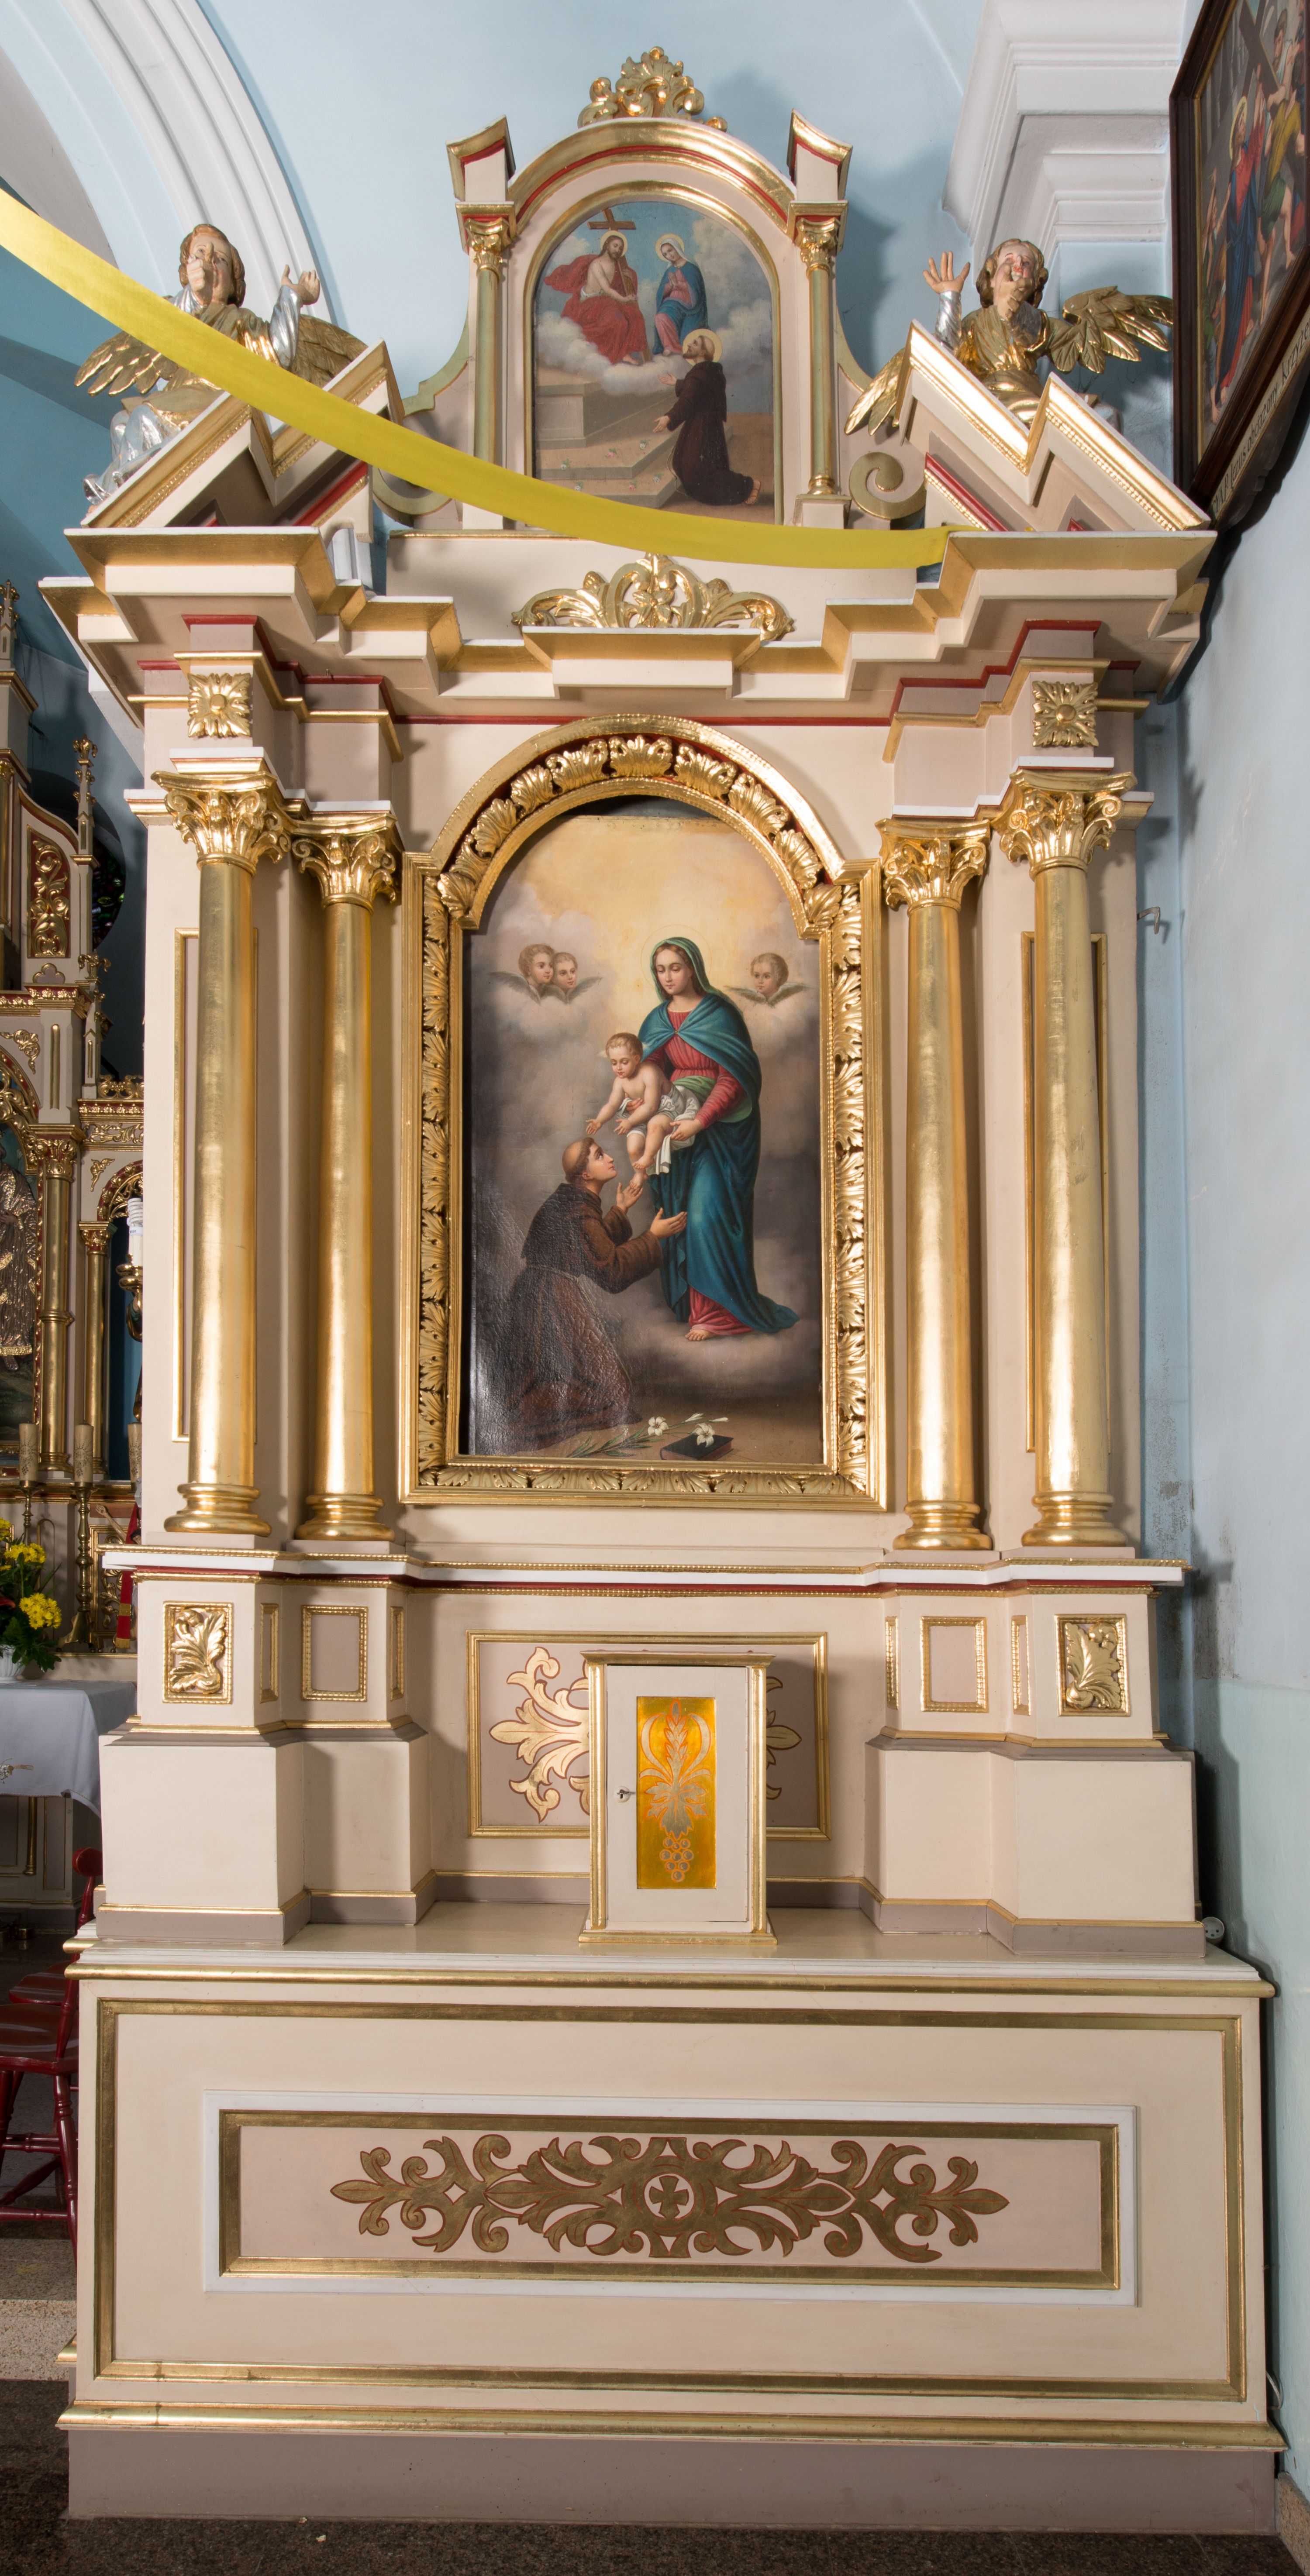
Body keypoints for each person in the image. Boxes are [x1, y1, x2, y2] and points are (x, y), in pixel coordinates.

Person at [78, 222, 359, 504]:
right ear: (187, 269)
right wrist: (196, 296)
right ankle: (119, 491)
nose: (210, 262)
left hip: (214, 399)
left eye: (221, 260)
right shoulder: (180, 309)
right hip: (180, 397)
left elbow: (279, 353)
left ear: (234, 283)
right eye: (201, 254)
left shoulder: (240, 320)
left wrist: (292, 296)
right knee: (120, 423)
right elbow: (170, 325)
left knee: (145, 418)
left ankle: (128, 488)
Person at [638, 938, 797, 1342]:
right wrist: (649, 1095)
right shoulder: (657, 1021)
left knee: (706, 1214)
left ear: (693, 968)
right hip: (677, 1125)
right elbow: (650, 1070)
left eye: (675, 968)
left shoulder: (720, 1014)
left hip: (723, 1131)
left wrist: (700, 1121)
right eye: (661, 969)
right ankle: (700, 1311)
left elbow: (734, 1078)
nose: (668, 977)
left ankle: (720, 1313)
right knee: (681, 1213)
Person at [498, 1138, 686, 1444]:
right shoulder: (580, 1211)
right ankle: (529, 1406)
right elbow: (611, 1270)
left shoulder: (571, 1201)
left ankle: (535, 1397)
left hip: (538, 1291)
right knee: (613, 1396)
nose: (610, 1158)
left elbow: (589, 1246)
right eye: (600, 1156)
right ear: (586, 1175)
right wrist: (653, 1237)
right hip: (553, 1297)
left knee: (593, 1385)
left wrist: (621, 1209)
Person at [655, 331, 760, 508]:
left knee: (695, 468)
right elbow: (699, 390)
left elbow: (688, 400)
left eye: (695, 344)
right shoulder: (711, 371)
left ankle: (750, 485)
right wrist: (679, 384)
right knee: (688, 464)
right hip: (709, 426)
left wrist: (669, 417)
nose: (690, 345)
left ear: (703, 352)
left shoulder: (699, 374)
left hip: (701, 427)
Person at [586, 1032, 705, 1175]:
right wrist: (599, 1121)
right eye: (614, 1063)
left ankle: (648, 1157)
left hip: (668, 1110)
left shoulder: (650, 1072)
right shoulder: (620, 1082)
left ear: (636, 1059)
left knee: (655, 1124)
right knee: (633, 1147)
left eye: (624, 1062)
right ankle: (640, 1175)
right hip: (642, 1115)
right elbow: (612, 1105)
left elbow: (651, 1107)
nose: (619, 1068)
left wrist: (630, 1122)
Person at [544, 230, 649, 366]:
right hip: (590, 303)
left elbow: (618, 286)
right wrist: (625, 300)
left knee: (635, 315)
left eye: (620, 248)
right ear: (607, 245)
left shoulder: (617, 265)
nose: (618, 250)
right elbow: (607, 289)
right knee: (618, 322)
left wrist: (630, 277)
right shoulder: (596, 264)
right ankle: (610, 358)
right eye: (615, 246)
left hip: (606, 301)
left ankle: (624, 353)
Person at [651, 232, 708, 356]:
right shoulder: (670, 270)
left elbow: (696, 291)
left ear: (677, 248)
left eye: (670, 251)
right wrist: (671, 286)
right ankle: (669, 346)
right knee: (660, 317)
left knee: (686, 341)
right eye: (665, 254)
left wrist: (678, 285)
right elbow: (661, 293)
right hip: (672, 304)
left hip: (692, 307)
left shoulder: (691, 268)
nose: (669, 255)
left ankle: (678, 348)